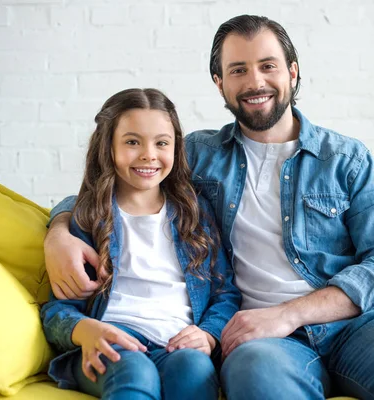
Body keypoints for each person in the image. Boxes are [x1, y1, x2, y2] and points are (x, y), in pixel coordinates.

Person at [44, 15, 374, 400]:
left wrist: (289, 313)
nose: (255, 81)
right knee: (256, 379)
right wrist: (60, 231)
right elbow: (119, 185)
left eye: (268, 65)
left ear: (292, 73)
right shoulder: (197, 156)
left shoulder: (346, 159)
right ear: (219, 83)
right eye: (238, 70)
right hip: (265, 341)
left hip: (366, 324)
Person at [41, 88, 240, 400]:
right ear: (108, 147)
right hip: (110, 343)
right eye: (132, 142)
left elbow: (225, 292)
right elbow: (58, 309)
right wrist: (86, 331)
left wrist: (208, 334)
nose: (149, 154)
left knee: (194, 368)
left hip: (176, 344)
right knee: (136, 371)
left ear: (176, 148)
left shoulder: (194, 213)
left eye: (161, 143)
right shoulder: (89, 216)